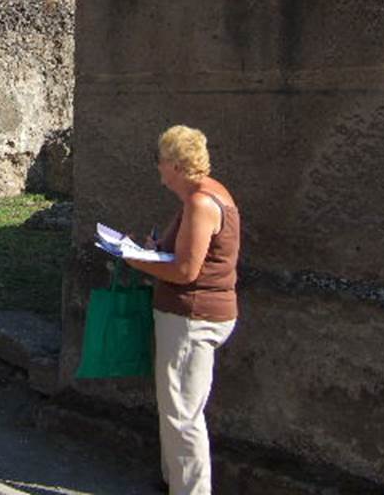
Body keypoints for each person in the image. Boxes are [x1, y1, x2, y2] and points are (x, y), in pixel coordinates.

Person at [125, 125, 240, 495]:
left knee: (182, 415)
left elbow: (186, 271)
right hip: (192, 315)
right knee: (176, 407)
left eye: (159, 159)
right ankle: (172, 480)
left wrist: (135, 260)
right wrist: (156, 248)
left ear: (174, 164)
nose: (157, 167)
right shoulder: (202, 196)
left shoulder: (200, 203)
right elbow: (187, 256)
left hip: (193, 318)